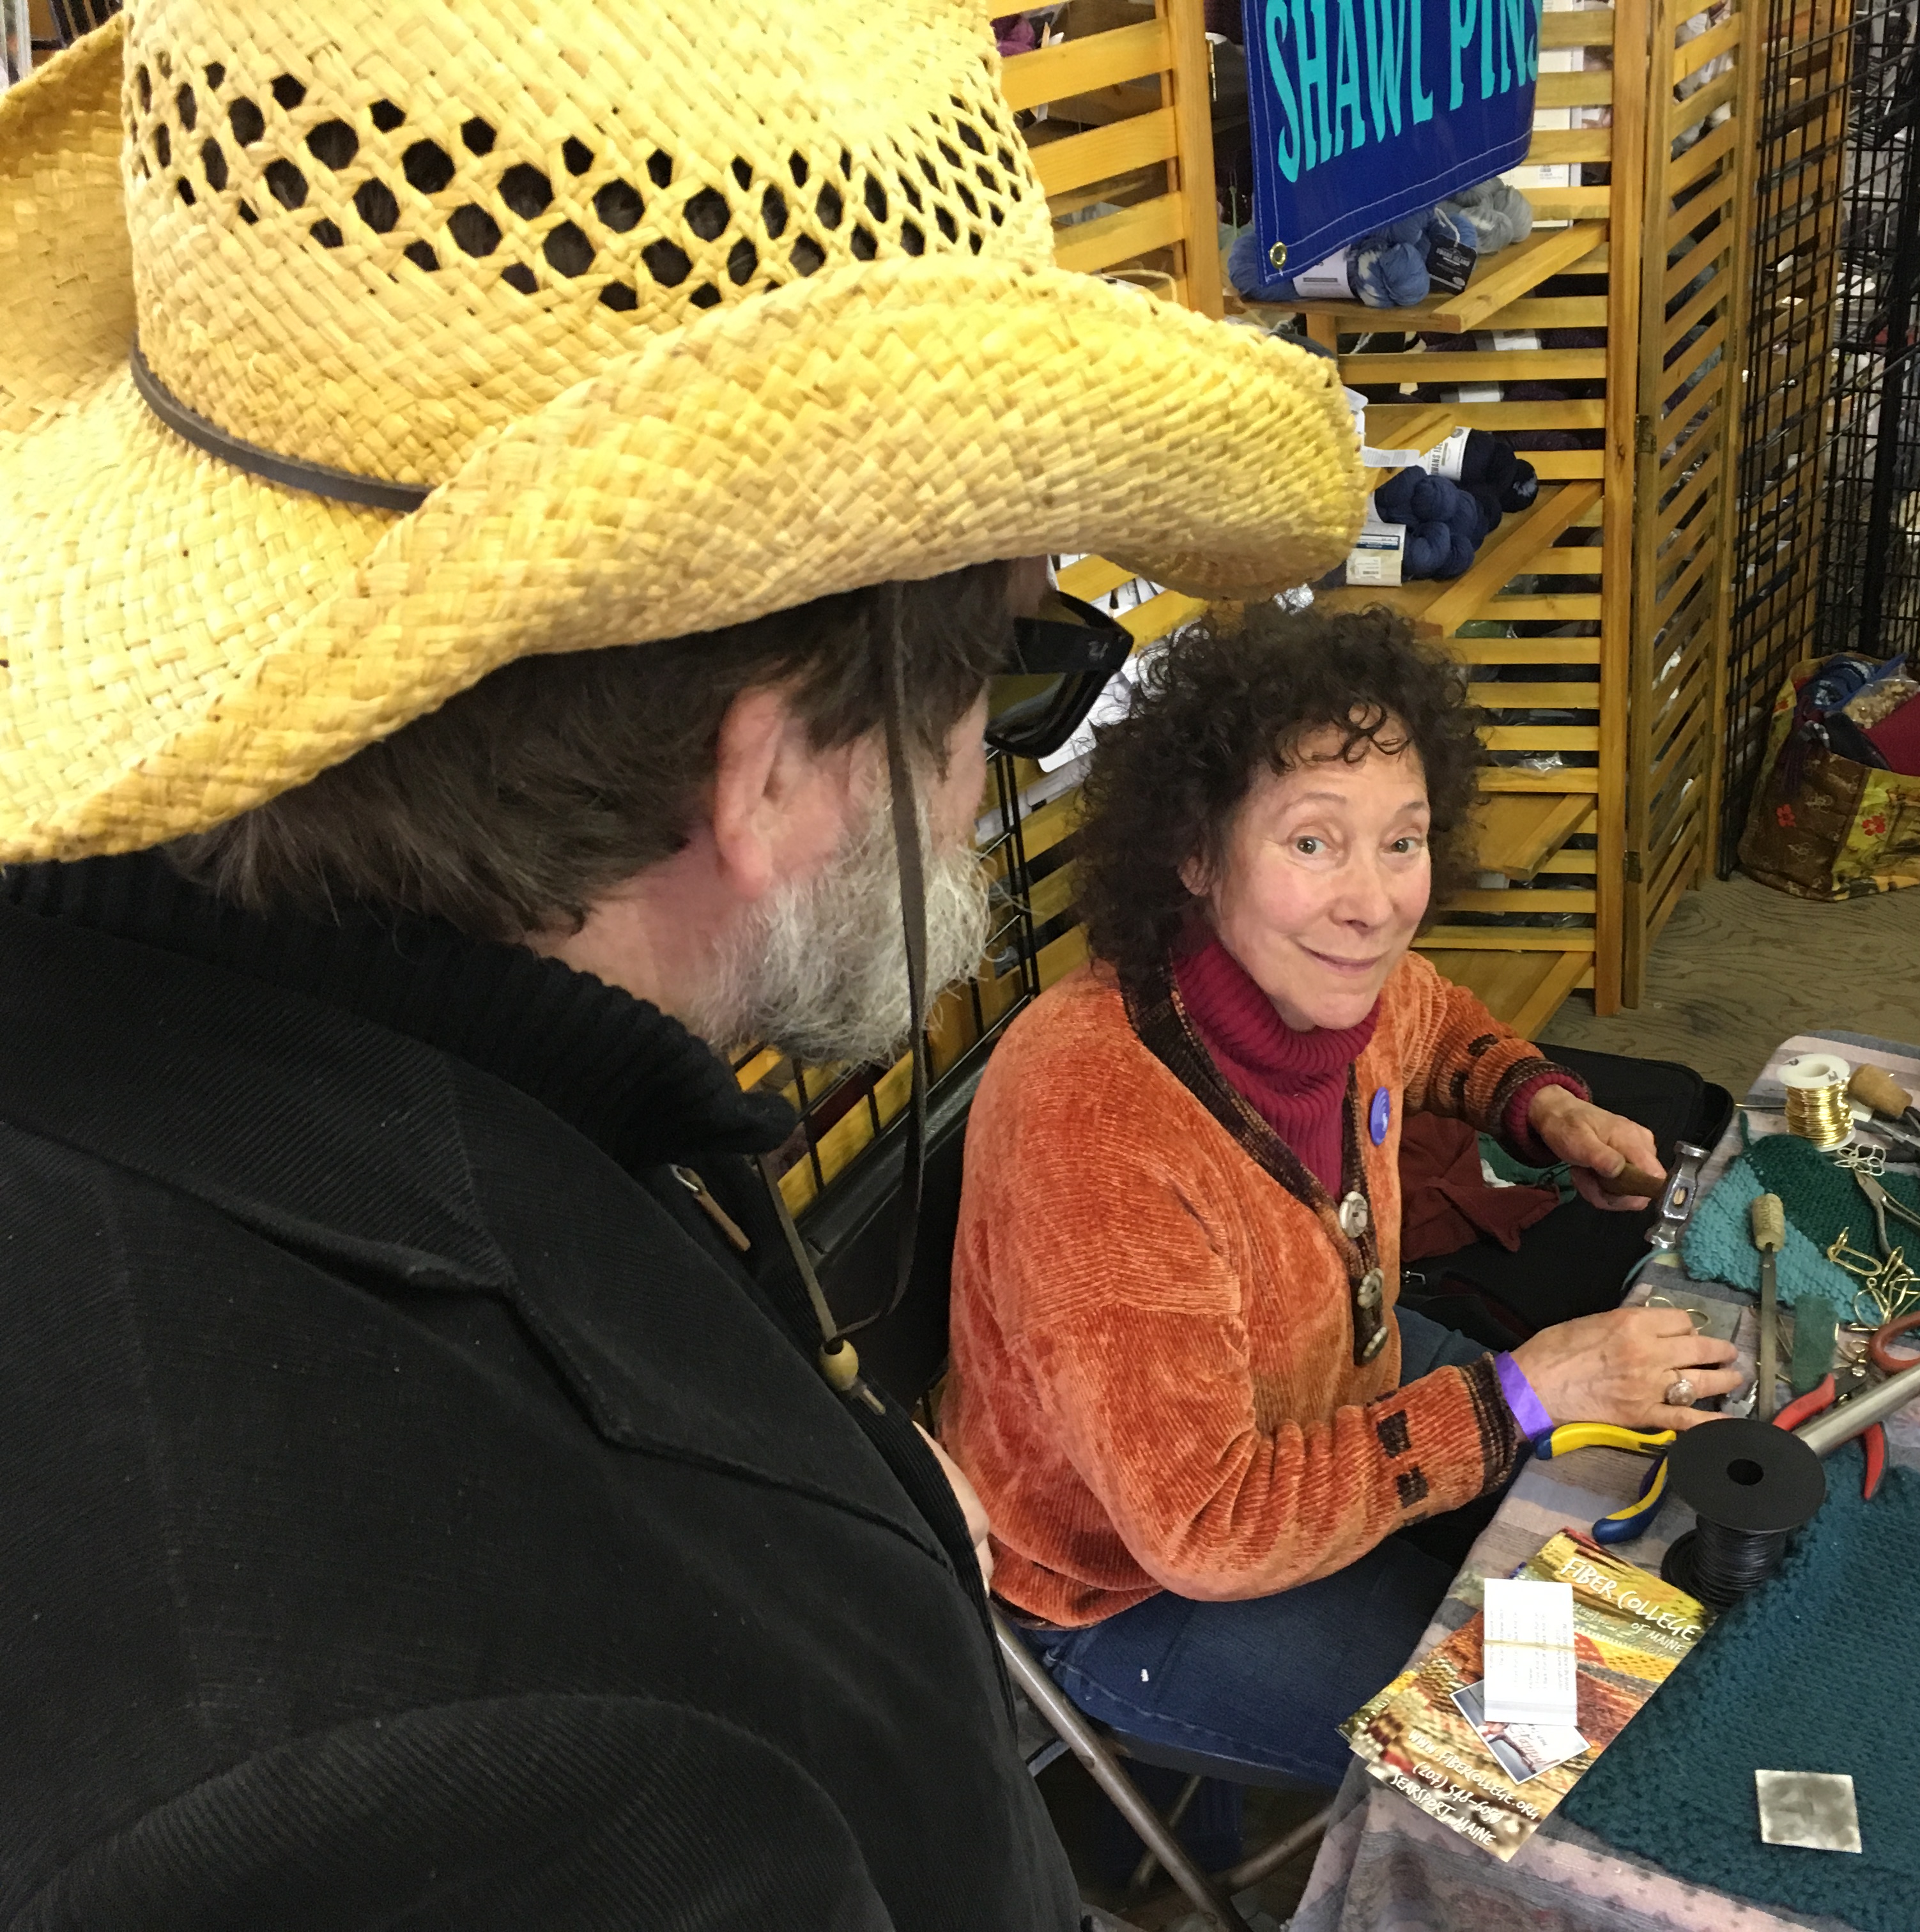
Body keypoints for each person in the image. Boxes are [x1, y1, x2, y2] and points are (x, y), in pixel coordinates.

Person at [0, 0, 1360, 1922]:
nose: (992, 780)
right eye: (998, 680)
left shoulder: (231, 1065)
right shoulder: (546, 1755)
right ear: (782, 764)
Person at [943, 605, 1742, 1789]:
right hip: (1134, 1583)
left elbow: (1431, 1020)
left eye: (1402, 841)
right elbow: (1207, 1526)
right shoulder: (1096, 1121)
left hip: (1333, 1385)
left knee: (1648, 1529)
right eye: (1312, 844)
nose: (1372, 904)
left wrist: (1543, 1107)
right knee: (1550, 1741)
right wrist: (1519, 1393)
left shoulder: (1329, 990)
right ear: (1198, 852)